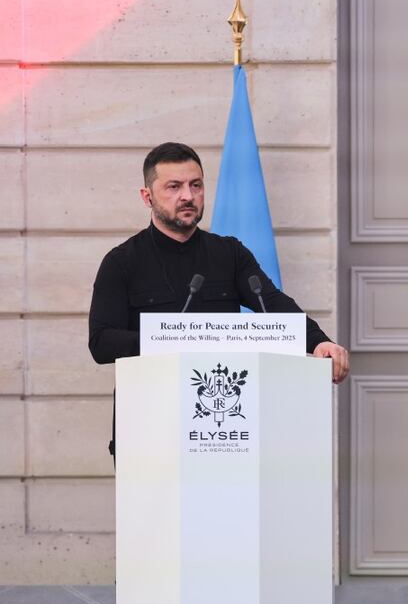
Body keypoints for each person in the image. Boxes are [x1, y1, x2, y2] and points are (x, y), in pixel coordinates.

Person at [89, 142, 350, 455]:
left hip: (226, 433)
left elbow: (272, 303)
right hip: (150, 431)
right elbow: (102, 342)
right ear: (147, 197)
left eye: (195, 185)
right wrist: (169, 339)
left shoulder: (229, 254)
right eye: (173, 187)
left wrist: (318, 342)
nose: (187, 196)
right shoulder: (122, 262)